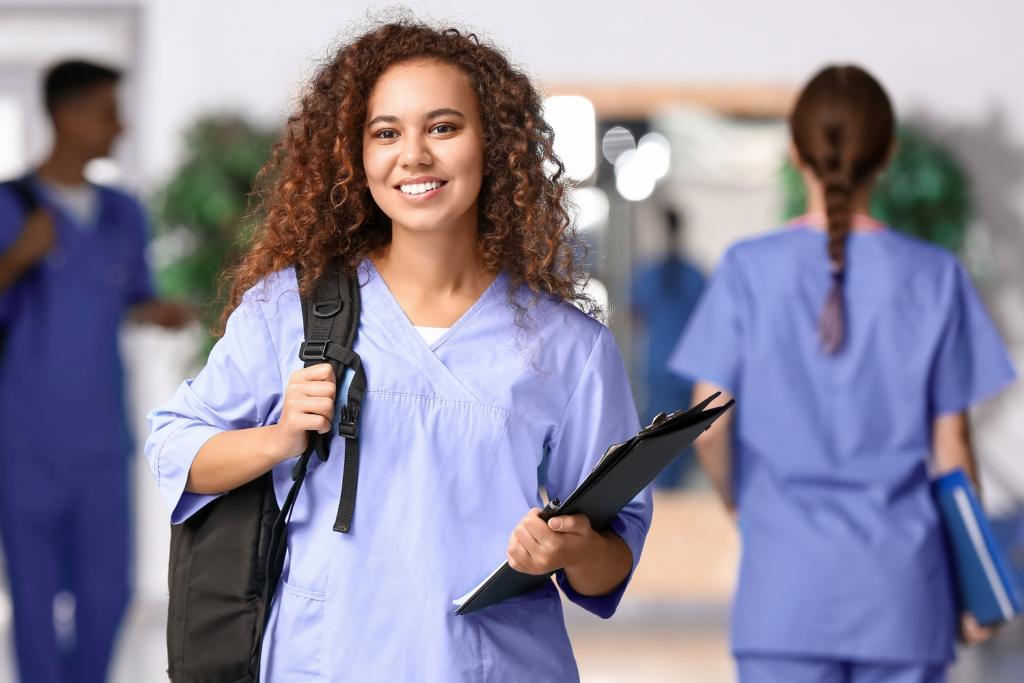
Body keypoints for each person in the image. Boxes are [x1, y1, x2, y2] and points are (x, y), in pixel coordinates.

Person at [146, 21, 650, 681]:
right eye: (386, 133)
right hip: (323, 661)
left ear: (493, 145)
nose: (413, 155)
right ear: (356, 155)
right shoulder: (288, 311)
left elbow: (612, 556)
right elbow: (175, 447)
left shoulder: (570, 349)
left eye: (443, 127)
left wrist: (570, 547)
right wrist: (278, 439)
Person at [668, 65, 1015, 683]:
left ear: (794, 151)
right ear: (889, 155)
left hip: (783, 598)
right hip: (905, 597)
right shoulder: (934, 275)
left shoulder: (748, 270)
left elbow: (709, 426)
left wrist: (739, 504)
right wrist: (972, 577)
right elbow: (953, 449)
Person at [0, 61, 190, 682]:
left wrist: (161, 310)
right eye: (109, 112)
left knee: (108, 596)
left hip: (101, 441)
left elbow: (132, 294)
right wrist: (17, 259)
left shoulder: (122, 212)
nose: (120, 125)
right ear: (67, 115)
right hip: (25, 440)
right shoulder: (11, 207)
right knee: (32, 602)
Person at [631, 208, 704, 487]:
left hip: (658, 367)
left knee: (656, 439)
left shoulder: (647, 275)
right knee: (680, 441)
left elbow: (635, 318)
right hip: (684, 369)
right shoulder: (693, 275)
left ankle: (660, 499)